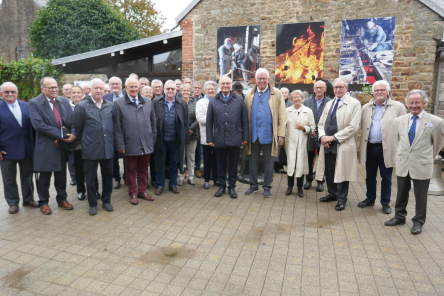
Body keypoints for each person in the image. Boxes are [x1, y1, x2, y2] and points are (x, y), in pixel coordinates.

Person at [384, 90, 444, 234]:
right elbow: (398, 141)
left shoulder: (435, 122)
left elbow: (438, 144)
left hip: (422, 164)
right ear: (407, 104)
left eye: (417, 102)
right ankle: (399, 216)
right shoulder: (399, 121)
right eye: (411, 103)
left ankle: (418, 221)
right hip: (403, 163)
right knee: (401, 193)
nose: (414, 106)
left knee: (420, 196)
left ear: (424, 103)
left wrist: (426, 157)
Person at [29, 77, 76, 215]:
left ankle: (62, 199)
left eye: (56, 87)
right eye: (51, 88)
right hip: (46, 146)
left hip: (62, 145)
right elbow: (39, 125)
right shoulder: (35, 103)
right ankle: (43, 202)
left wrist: (73, 134)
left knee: (61, 174)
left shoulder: (64, 101)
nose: (55, 89)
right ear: (42, 89)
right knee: (45, 176)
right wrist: (62, 134)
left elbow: (72, 120)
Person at [359, 80, 406, 214]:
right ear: (373, 92)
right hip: (370, 147)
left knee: (386, 177)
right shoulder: (366, 107)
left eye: (382, 90)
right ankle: (370, 199)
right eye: (376, 90)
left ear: (387, 91)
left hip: (387, 147)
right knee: (370, 176)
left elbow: (404, 128)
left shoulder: (398, 107)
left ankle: (385, 203)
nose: (379, 92)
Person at [316, 78, 361, 211]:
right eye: (335, 87)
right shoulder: (330, 103)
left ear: (347, 88)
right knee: (329, 171)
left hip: (342, 143)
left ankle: (342, 199)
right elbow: (321, 123)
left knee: (342, 172)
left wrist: (333, 138)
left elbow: (353, 127)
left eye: (341, 87)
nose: (338, 90)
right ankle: (332, 193)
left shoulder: (354, 104)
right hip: (327, 144)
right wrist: (323, 137)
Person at [73, 79, 115, 215]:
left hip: (107, 147)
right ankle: (92, 204)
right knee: (91, 179)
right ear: (90, 90)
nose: (98, 91)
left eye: (101, 88)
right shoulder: (81, 106)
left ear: (104, 90)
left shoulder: (110, 105)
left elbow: (114, 126)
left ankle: (106, 201)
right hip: (90, 149)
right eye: (95, 88)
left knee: (108, 176)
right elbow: (78, 129)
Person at [244, 68, 287, 197]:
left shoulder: (277, 94)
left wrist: (280, 133)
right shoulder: (249, 95)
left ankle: (267, 186)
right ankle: (253, 185)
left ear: (268, 80)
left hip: (269, 134)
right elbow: (245, 116)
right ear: (255, 80)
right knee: (253, 160)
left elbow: (282, 115)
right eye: (259, 78)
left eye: (264, 78)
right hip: (253, 135)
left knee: (269, 162)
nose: (261, 81)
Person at [114, 77, 156, 205]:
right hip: (129, 143)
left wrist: (152, 139)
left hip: (146, 143)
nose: (133, 89)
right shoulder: (119, 103)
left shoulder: (148, 102)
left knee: (143, 169)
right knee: (131, 170)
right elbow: (117, 127)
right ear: (126, 88)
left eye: (135, 86)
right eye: (131, 86)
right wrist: (120, 144)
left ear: (139, 88)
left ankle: (142, 191)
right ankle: (132, 193)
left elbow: (153, 122)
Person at [207, 76, 249, 198]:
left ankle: (232, 187)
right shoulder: (214, 100)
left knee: (233, 164)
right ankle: (221, 186)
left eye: (227, 83)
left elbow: (244, 119)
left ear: (231, 85)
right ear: (219, 85)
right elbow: (209, 121)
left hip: (235, 136)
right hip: (219, 137)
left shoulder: (239, 99)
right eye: (223, 83)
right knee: (220, 164)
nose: (225, 85)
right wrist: (210, 138)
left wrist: (245, 137)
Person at [0, 82, 39, 214]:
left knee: (27, 176)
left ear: (17, 93)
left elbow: (34, 128)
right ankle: (13, 202)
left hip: (27, 149)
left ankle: (28, 199)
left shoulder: (26, 106)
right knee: (9, 178)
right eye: (7, 92)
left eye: (13, 92)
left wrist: (35, 147)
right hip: (6, 150)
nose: (10, 94)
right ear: (1, 93)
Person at [153, 80, 189, 195]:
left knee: (174, 163)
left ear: (175, 90)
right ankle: (160, 184)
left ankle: (172, 184)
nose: (170, 91)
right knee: (160, 162)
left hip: (175, 140)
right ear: (164, 90)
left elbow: (186, 123)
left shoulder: (182, 103)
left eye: (172, 89)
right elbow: (152, 121)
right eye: (168, 89)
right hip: (161, 140)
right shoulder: (156, 102)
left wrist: (185, 140)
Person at [285, 90, 315, 197]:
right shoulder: (287, 110)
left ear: (301, 98)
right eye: (294, 97)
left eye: (298, 97)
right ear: (291, 99)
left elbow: (313, 127)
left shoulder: (308, 111)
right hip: (290, 143)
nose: (296, 99)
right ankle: (289, 186)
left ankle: (299, 188)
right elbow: (283, 126)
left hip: (302, 142)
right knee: (291, 164)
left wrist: (304, 128)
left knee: (300, 165)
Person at [302, 80, 331, 192]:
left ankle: (320, 181)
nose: (319, 90)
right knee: (309, 159)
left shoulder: (330, 102)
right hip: (310, 134)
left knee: (322, 159)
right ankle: (308, 179)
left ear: (325, 89)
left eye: (321, 88)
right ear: (313, 89)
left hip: (324, 135)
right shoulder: (307, 102)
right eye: (317, 88)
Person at [196, 81, 219, 189]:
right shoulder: (200, 102)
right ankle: (206, 180)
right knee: (207, 159)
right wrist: (213, 119)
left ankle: (216, 179)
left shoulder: (219, 101)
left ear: (215, 90)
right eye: (208, 89)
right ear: (205, 90)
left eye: (212, 89)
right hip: (206, 135)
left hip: (218, 136)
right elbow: (200, 119)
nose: (210, 91)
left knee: (217, 159)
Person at [104, 76, 125, 189]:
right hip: (111, 133)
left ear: (121, 86)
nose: (115, 86)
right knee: (113, 158)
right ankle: (116, 178)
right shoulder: (105, 97)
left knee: (127, 156)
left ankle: (127, 176)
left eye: (117, 84)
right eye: (112, 84)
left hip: (125, 132)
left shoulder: (127, 97)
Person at [178, 83, 199, 186]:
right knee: (181, 156)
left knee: (190, 156)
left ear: (190, 92)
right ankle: (181, 176)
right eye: (184, 90)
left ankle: (190, 177)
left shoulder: (195, 103)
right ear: (181, 91)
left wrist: (191, 129)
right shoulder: (177, 103)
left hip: (192, 134)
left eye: (188, 90)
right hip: (180, 135)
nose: (186, 92)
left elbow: (198, 118)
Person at [150, 79, 164, 188]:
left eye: (159, 87)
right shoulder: (150, 101)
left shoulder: (166, 99)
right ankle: (154, 179)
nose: (158, 89)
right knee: (153, 159)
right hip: (154, 135)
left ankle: (163, 178)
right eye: (155, 87)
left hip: (165, 135)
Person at [191, 82, 204, 178]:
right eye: (195, 87)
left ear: (201, 90)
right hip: (190, 128)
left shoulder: (204, 99)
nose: (197, 89)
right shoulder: (188, 99)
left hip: (201, 128)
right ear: (192, 89)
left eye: (199, 88)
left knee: (199, 150)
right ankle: (187, 169)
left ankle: (197, 168)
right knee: (189, 150)